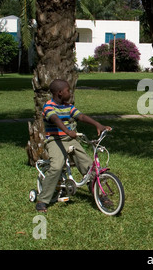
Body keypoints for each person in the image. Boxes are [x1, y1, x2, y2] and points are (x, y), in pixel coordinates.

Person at [35, 79, 112, 213]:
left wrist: (97, 125)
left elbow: (81, 116)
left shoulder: (68, 106)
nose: (70, 92)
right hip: (55, 140)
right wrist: (68, 131)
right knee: (56, 166)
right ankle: (42, 200)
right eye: (68, 90)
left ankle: (99, 193)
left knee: (89, 165)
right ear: (60, 93)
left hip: (71, 139)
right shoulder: (48, 106)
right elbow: (55, 119)